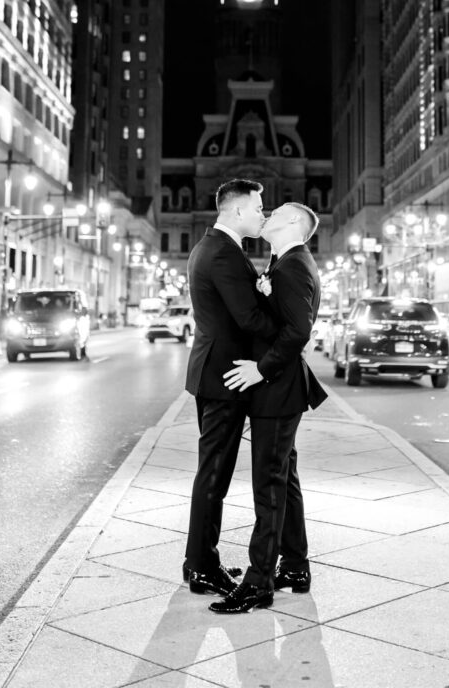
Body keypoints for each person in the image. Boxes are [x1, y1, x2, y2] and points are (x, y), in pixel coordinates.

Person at [211, 202, 327, 614]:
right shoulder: (285, 262)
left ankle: (259, 583)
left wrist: (260, 370)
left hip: (277, 390)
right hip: (279, 389)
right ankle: (295, 567)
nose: (268, 215)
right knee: (284, 480)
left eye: (275, 212)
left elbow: (298, 331)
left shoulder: (295, 265)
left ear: (293, 223)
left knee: (269, 486)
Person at [183, 178, 279, 597]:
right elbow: (248, 319)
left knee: (213, 474)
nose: (264, 214)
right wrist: (288, 327)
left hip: (216, 373)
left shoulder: (217, 248)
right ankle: (202, 566)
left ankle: (198, 562)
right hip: (225, 378)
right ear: (237, 211)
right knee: (214, 477)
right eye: (259, 208)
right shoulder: (222, 253)